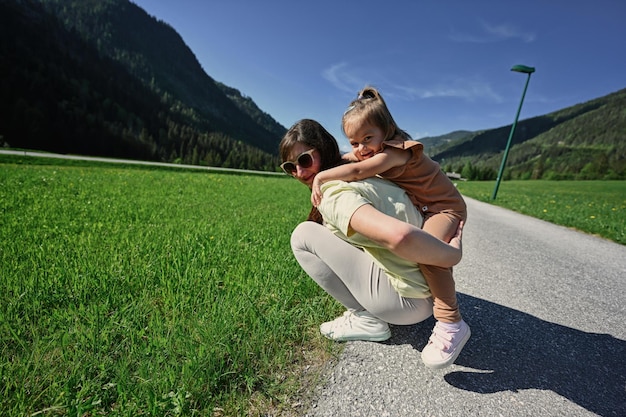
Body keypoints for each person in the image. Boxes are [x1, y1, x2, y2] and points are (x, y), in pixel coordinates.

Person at [280, 119, 467, 369]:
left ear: (323, 150)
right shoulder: (369, 170)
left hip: (409, 303)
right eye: (290, 167)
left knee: (303, 235)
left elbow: (400, 237)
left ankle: (365, 319)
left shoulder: (334, 193)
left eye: (304, 160)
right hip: (427, 285)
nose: (300, 173)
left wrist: (451, 255)